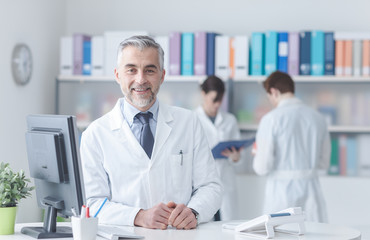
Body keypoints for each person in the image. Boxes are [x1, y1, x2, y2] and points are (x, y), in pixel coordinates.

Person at [80, 35, 222, 230]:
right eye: (131, 70)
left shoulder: (189, 123)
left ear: (162, 75)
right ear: (117, 75)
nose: (141, 79)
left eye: (150, 70)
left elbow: (211, 187)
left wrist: (194, 212)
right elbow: (93, 203)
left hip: (179, 234)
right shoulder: (95, 134)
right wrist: (138, 216)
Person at [252, 71, 331, 222]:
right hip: (311, 193)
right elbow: (323, 164)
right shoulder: (318, 118)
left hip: (281, 195)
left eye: (269, 96)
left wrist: (257, 153)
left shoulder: (271, 119)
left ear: (274, 92)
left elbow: (262, 167)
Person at [195, 75, 242, 221]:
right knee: (204, 228)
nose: (217, 104)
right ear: (203, 94)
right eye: (214, 100)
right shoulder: (192, 118)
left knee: (227, 226)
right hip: (201, 181)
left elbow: (238, 156)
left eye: (220, 100)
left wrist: (236, 157)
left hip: (225, 181)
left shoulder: (230, 120)